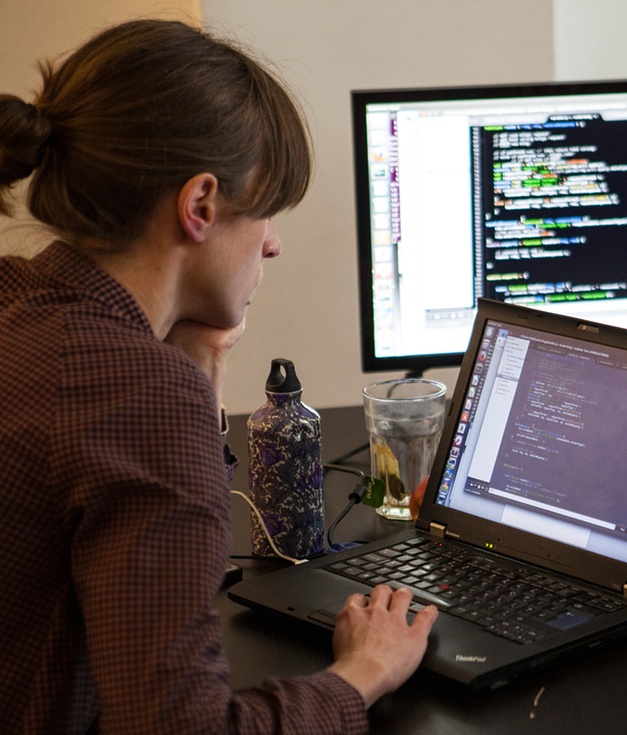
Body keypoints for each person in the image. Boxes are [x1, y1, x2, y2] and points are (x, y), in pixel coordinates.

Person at [0, 19, 437, 733]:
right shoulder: (136, 392)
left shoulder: (19, 301)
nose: (272, 242)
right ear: (200, 204)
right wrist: (362, 673)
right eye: (264, 209)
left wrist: (194, 374)